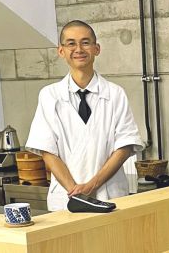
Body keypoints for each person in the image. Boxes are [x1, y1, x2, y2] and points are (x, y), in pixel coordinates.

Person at [26, 20, 144, 211]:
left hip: (109, 194)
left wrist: (92, 186)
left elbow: (124, 146)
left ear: (97, 49)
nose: (79, 49)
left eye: (85, 42)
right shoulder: (49, 95)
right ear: (61, 51)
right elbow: (47, 150)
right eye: (71, 43)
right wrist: (76, 191)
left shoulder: (115, 94)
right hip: (66, 198)